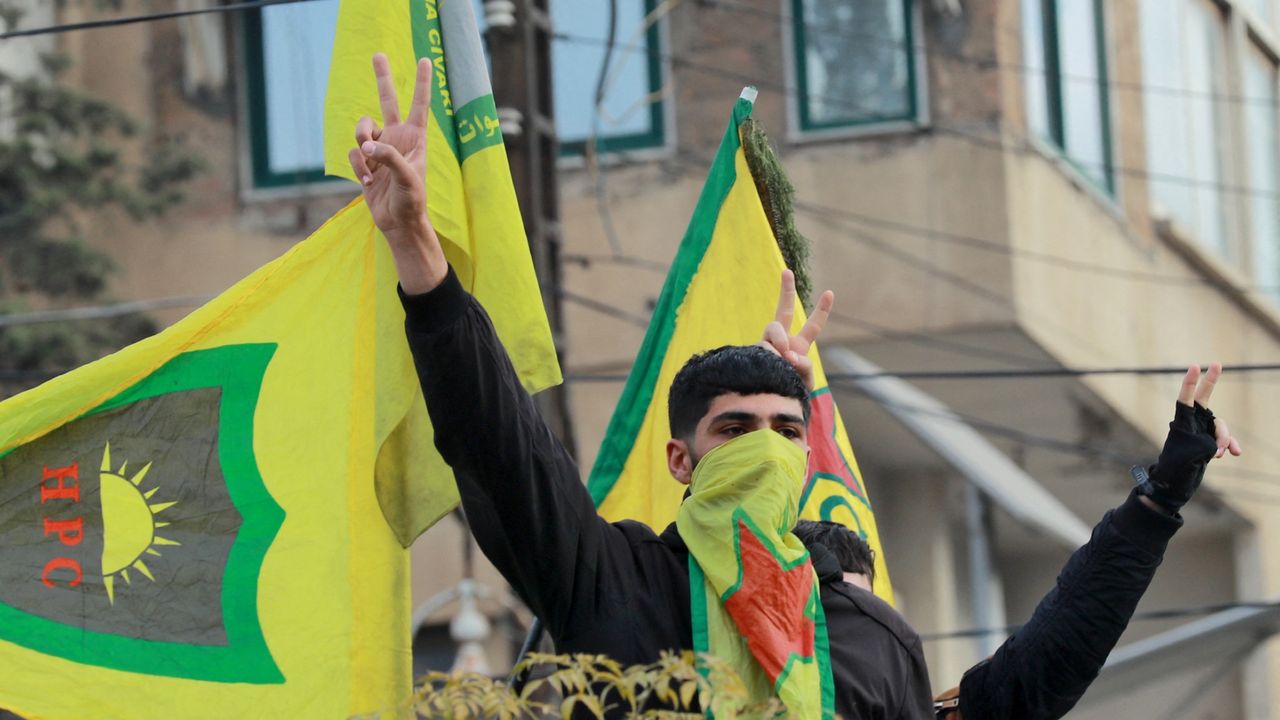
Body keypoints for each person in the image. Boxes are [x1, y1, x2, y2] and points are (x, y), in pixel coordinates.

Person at [348, 55, 1243, 719]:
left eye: (786, 428)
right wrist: (419, 251)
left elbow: (1028, 681)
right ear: (680, 458)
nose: (767, 448)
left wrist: (1159, 502)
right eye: (736, 428)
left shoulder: (865, 635)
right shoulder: (613, 584)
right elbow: (505, 452)